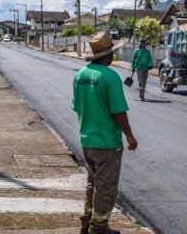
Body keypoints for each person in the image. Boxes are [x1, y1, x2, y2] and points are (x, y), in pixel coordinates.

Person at [72, 31, 138, 234]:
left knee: (92, 184)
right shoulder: (110, 77)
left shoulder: (80, 75)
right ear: (108, 55)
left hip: (87, 141)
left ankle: (87, 222)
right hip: (107, 143)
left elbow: (77, 106)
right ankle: (99, 227)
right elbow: (118, 110)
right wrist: (129, 135)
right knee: (105, 187)